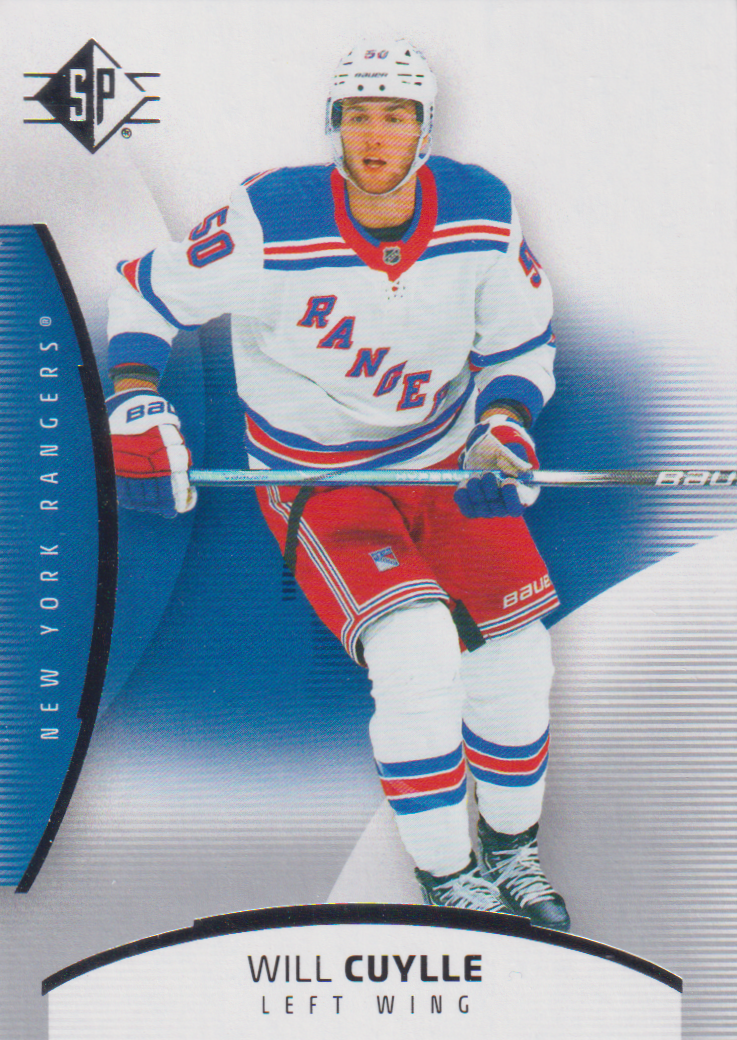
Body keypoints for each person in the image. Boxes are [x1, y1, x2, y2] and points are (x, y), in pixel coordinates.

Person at [106, 39, 570, 930]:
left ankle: (512, 849)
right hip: (318, 477)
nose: (375, 135)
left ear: (424, 129)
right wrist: (133, 403)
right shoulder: (269, 218)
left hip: (443, 457)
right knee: (416, 652)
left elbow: (519, 345)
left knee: (517, 659)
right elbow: (144, 293)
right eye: (358, 116)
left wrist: (503, 428)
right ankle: (448, 871)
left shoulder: (481, 208)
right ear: (334, 125)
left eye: (395, 117)